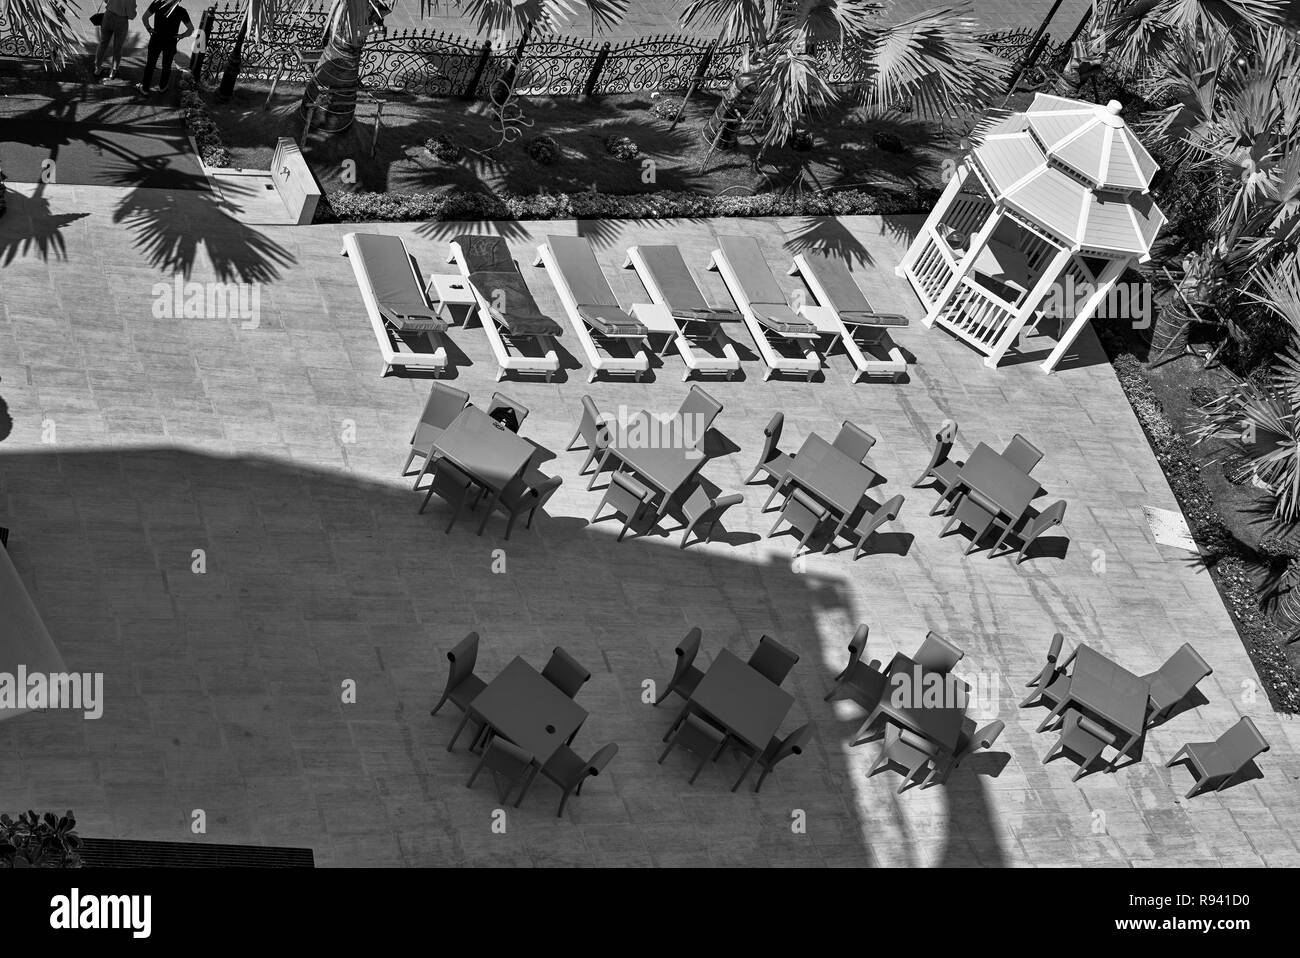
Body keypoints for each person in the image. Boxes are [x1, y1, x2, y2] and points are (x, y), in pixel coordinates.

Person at [136, 0, 194, 96]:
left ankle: (145, 88)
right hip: (170, 41)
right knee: (167, 65)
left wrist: (149, 29)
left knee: (150, 64)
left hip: (156, 38)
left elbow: (144, 17)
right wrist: (181, 35)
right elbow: (190, 29)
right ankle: (162, 87)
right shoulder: (181, 11)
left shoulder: (157, 4)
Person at [92, 0, 137, 81]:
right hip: (121, 20)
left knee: (103, 43)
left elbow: (106, 0)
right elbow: (131, 15)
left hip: (108, 15)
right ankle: (113, 71)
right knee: (117, 47)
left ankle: (97, 69)